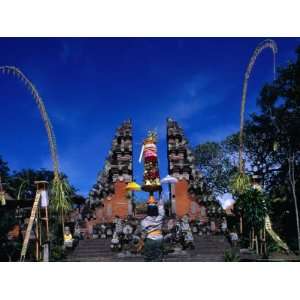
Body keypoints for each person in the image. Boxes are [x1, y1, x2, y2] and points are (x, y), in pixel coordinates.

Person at [141, 195, 165, 262]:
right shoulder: (160, 218)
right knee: (159, 257)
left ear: (147, 211)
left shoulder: (144, 221)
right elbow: (161, 209)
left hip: (150, 240)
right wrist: (160, 199)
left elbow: (143, 234)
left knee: (148, 258)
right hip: (159, 239)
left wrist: (142, 241)